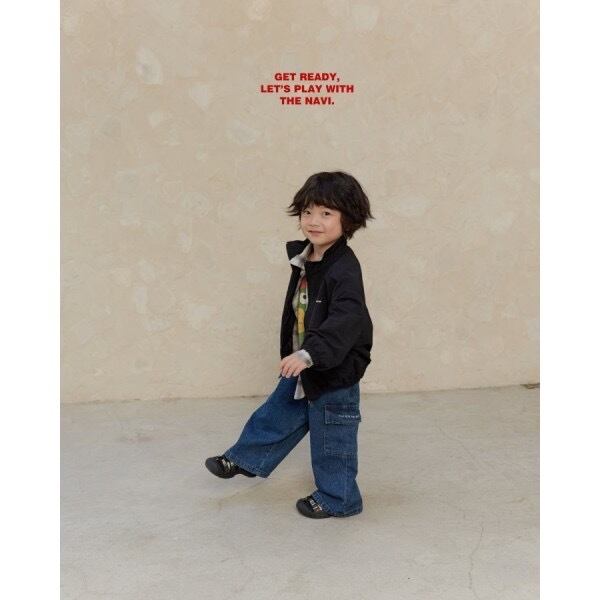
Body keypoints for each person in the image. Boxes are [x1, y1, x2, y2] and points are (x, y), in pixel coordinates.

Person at [205, 171, 374, 519]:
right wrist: (298, 354)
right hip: (304, 363)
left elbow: (345, 320)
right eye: (308, 212)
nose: (314, 221)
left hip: (333, 368)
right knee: (276, 413)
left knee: (332, 437)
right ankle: (246, 459)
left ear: (348, 219)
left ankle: (340, 499)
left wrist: (311, 353)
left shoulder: (344, 269)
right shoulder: (306, 259)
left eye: (326, 213)